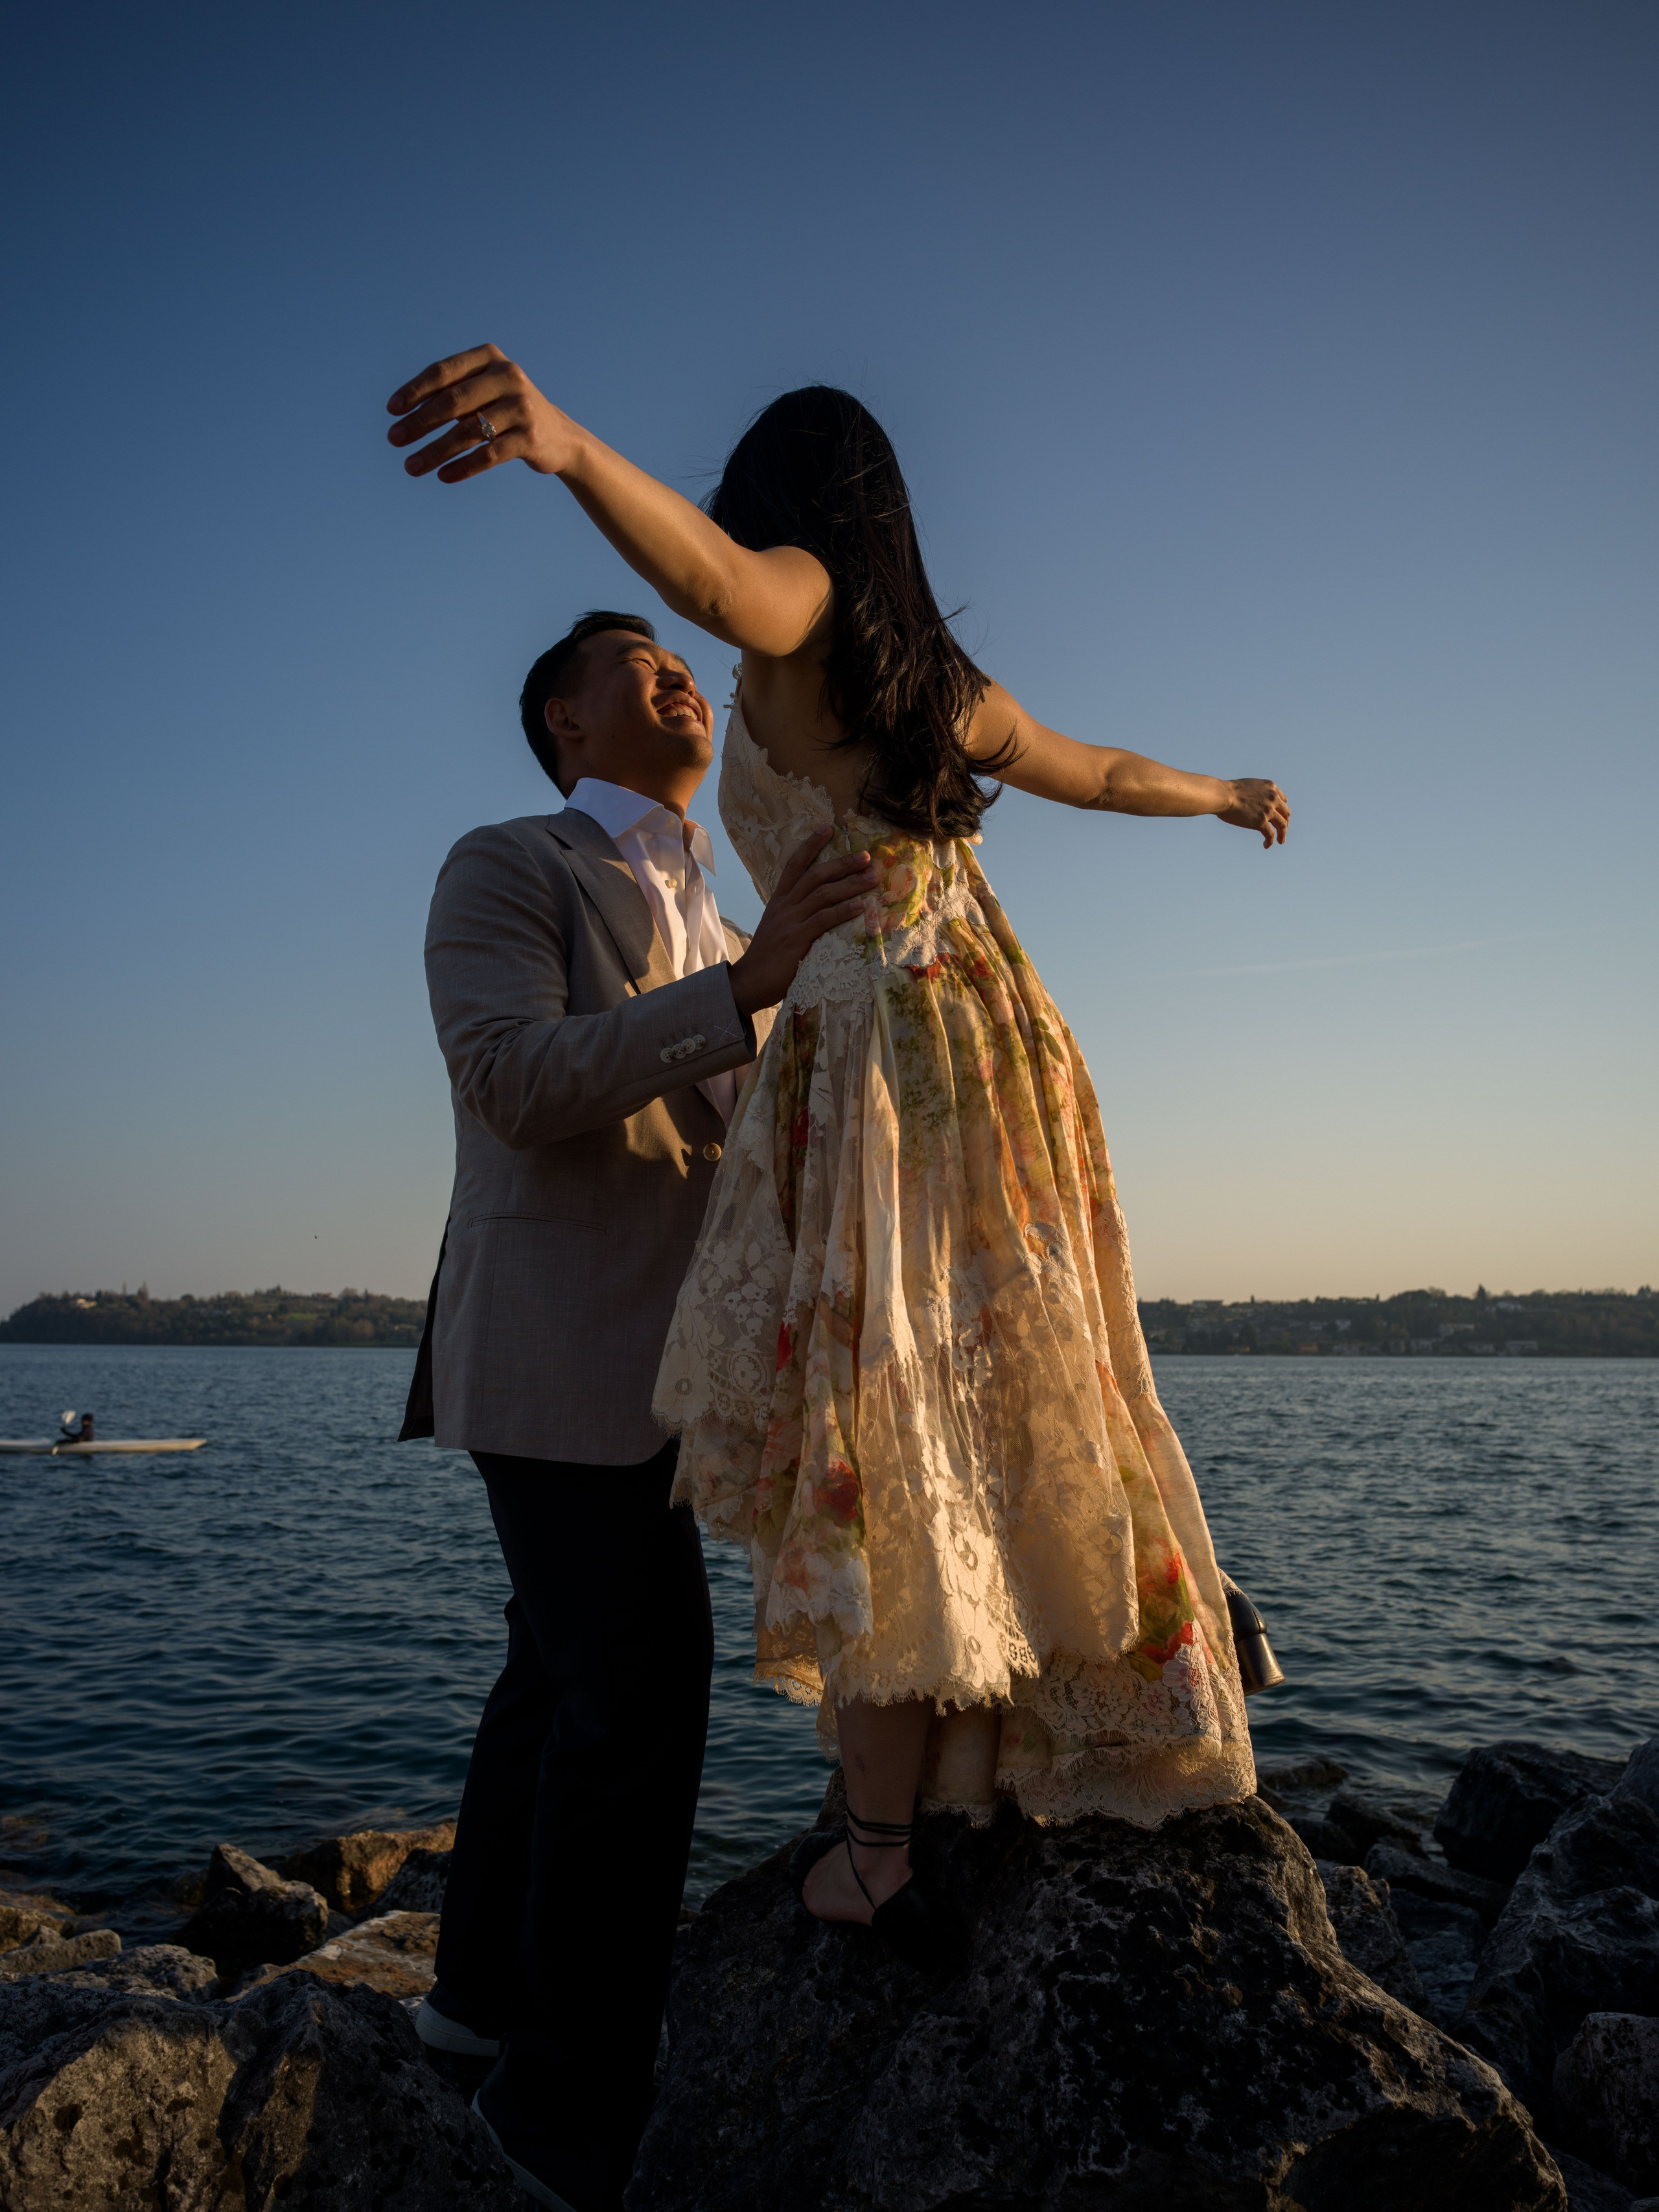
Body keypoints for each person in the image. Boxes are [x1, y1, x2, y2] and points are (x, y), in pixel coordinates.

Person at [387, 349, 1288, 1979]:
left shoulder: (797, 637)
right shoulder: (923, 691)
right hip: (983, 1045)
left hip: (885, 1049)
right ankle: (1024, 1723)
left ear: (794, 514)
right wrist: (1222, 793)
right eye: (641, 668)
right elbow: (1092, 771)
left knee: (890, 1426)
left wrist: (571, 446)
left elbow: (717, 582)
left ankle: (873, 1841)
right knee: (996, 1390)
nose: (697, 662)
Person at [396, 608, 876, 2212]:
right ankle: (566, 2120)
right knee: (637, 1703)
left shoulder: (733, 905)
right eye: (634, 655)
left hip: (696, 1367)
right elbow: (514, 1084)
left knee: (553, 1681)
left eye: (685, 656)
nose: (679, 669)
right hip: (553, 1348)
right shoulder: (507, 863)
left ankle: (472, 2009)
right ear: (565, 721)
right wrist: (746, 983)